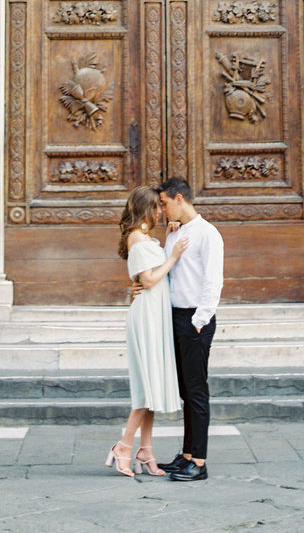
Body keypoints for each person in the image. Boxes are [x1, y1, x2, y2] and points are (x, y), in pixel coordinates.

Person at [106, 186, 188, 478]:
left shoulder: (146, 239)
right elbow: (150, 279)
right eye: (158, 207)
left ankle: (146, 450)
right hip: (147, 317)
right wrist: (174, 255)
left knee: (152, 388)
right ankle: (123, 446)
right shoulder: (137, 240)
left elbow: (150, 273)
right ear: (147, 209)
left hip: (156, 314)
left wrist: (170, 233)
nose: (161, 212)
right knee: (145, 390)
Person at [156, 176, 224, 483]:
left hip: (195, 320)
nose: (162, 209)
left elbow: (213, 280)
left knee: (197, 391)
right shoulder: (175, 233)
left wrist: (200, 320)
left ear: (179, 199)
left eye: (164, 203)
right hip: (176, 318)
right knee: (186, 390)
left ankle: (199, 461)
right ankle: (186, 455)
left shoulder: (208, 234)